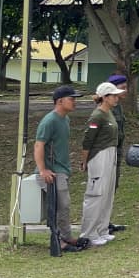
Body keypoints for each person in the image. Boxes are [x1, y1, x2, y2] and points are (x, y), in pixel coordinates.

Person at [34, 85, 82, 253]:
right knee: (62, 205)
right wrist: (42, 170)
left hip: (61, 170)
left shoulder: (65, 119)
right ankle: (62, 240)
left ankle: (66, 238)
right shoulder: (50, 120)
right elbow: (39, 145)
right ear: (60, 101)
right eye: (72, 99)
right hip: (52, 172)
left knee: (63, 206)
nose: (75, 102)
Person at [78, 81, 123, 246]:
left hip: (111, 153)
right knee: (96, 194)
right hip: (99, 155)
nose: (117, 98)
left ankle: (102, 229)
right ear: (105, 97)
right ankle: (89, 233)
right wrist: (84, 160)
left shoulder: (109, 113)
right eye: (114, 95)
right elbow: (88, 140)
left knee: (107, 193)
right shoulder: (97, 116)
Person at [106, 73, 129, 232]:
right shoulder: (107, 108)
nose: (126, 90)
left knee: (113, 186)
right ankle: (101, 223)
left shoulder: (118, 105)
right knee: (105, 188)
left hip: (117, 151)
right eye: (123, 87)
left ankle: (106, 221)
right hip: (107, 152)